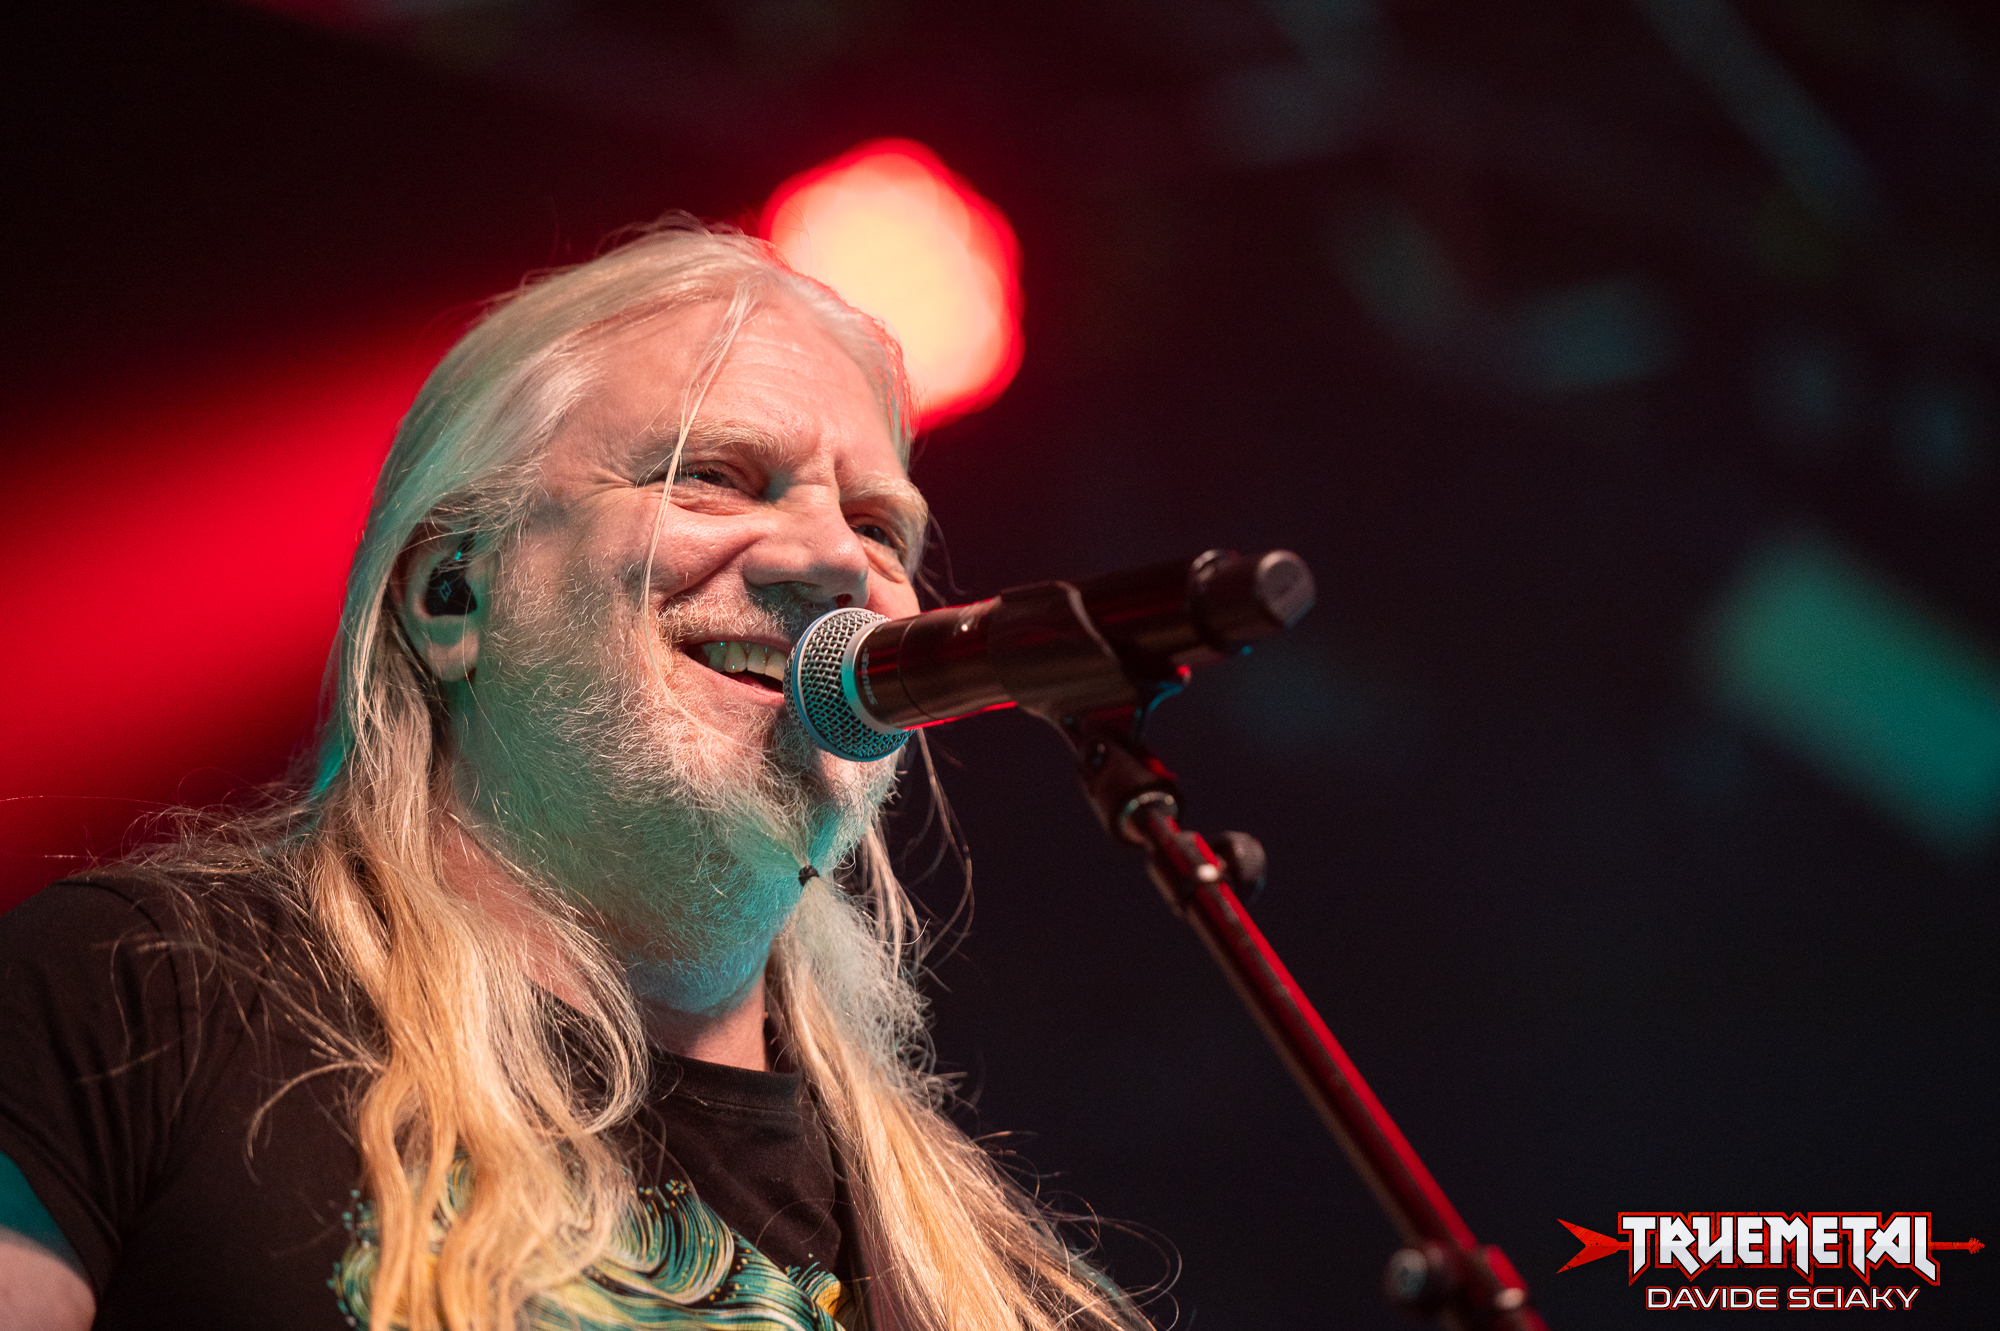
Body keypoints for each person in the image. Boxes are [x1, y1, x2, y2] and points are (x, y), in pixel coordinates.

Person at [0, 222, 1146, 1331]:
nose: (836, 559)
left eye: (879, 527)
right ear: (453, 594)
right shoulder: (133, 999)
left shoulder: (997, 1291)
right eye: (711, 475)